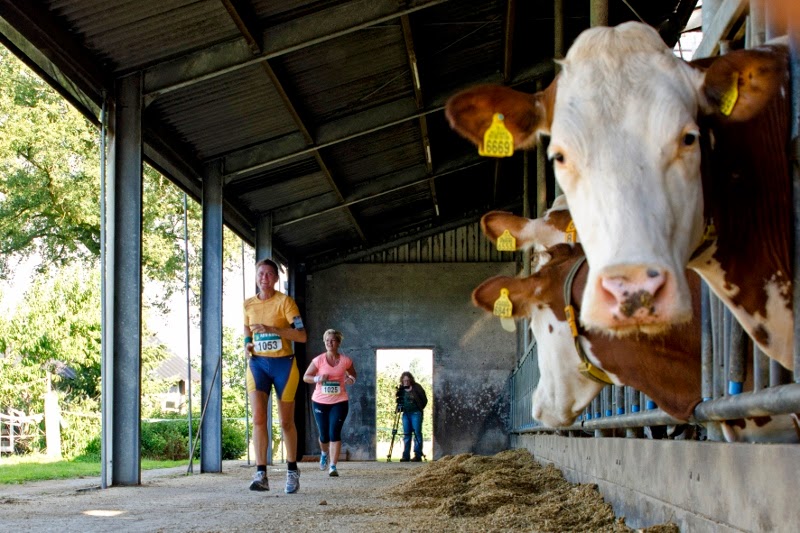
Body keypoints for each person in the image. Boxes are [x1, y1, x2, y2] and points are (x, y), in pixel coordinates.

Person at [243, 258, 307, 493]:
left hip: (284, 365)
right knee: (258, 418)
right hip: (257, 364)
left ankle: (292, 470)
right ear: (256, 277)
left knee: (286, 421)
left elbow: (301, 335)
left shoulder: (285, 302)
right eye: (261, 273)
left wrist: (273, 329)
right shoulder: (248, 304)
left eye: (269, 274)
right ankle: (261, 473)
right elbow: (247, 329)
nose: (265, 278)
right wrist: (248, 344)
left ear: (276, 278)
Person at [303, 329, 357, 477]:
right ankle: (324, 453)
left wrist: (351, 379)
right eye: (327, 340)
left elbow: (353, 374)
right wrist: (317, 379)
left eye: (332, 340)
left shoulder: (345, 361)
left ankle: (333, 466)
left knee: (334, 432)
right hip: (320, 402)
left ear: (338, 342)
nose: (329, 343)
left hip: (339, 401)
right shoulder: (318, 360)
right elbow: (306, 377)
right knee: (324, 435)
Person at [395, 371, 428, 462]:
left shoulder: (417, 387)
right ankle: (406, 456)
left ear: (410, 380)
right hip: (406, 414)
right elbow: (399, 400)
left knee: (417, 433)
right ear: (402, 380)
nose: (406, 382)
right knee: (406, 434)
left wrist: (419, 408)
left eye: (407, 380)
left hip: (416, 413)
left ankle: (417, 455)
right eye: (404, 380)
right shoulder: (401, 389)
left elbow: (424, 400)